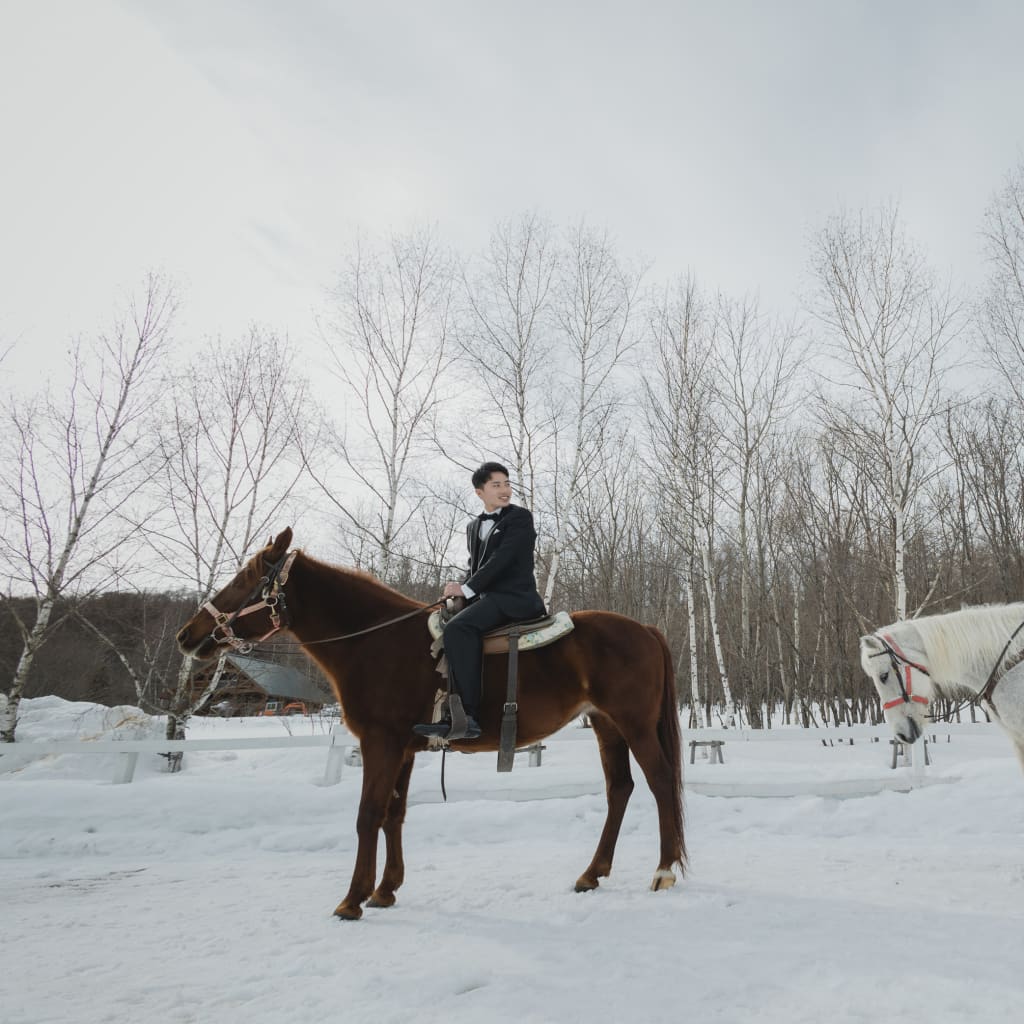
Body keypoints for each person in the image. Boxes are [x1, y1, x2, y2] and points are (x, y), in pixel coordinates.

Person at [414, 462, 546, 740]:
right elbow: (475, 566)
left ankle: (468, 717)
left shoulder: (520, 518)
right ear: (479, 492)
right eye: (496, 485)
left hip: (514, 598)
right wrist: (456, 589)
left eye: (507, 483)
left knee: (459, 629)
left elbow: (503, 560)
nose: (505, 490)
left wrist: (467, 588)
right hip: (486, 597)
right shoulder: (474, 526)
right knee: (439, 623)